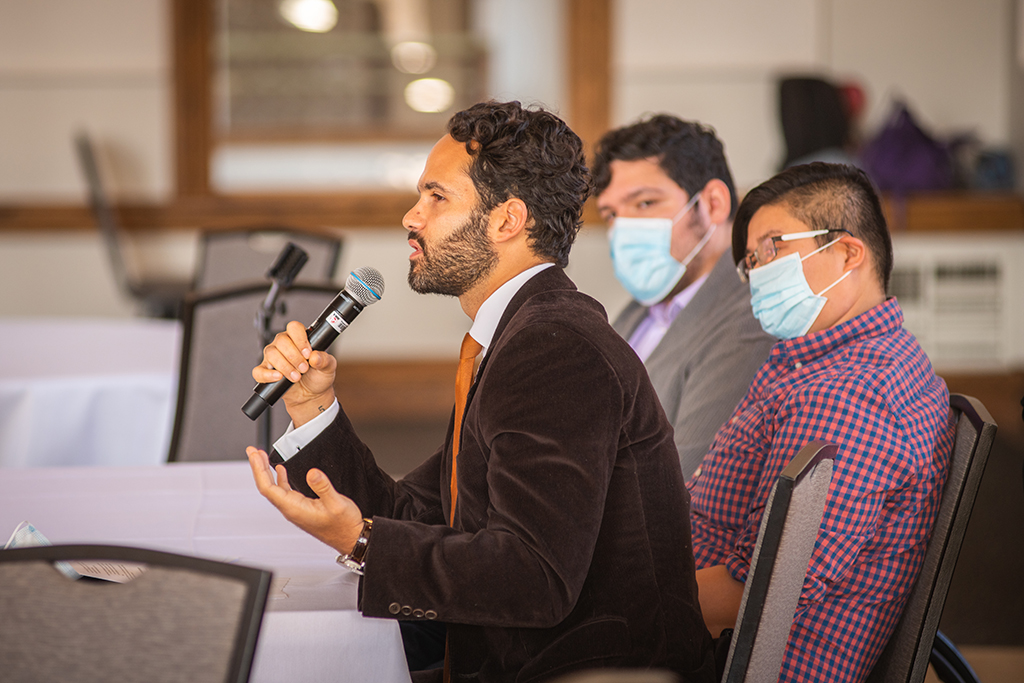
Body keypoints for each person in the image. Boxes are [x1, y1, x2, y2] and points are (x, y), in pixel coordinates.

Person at [246, 101, 717, 683]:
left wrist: (364, 543)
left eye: (436, 197)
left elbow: (533, 577)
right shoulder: (519, 332)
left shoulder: (554, 348)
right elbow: (423, 514)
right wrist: (314, 408)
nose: (410, 218)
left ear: (507, 220)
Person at [689, 162, 956, 683]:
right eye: (750, 258)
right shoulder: (832, 361)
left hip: (726, 658)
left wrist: (616, 595)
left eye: (773, 247)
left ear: (849, 252)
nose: (758, 270)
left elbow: (763, 594)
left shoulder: (849, 394)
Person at [592, 115, 775, 479]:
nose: (622, 228)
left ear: (713, 204)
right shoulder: (637, 313)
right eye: (611, 214)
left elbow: (684, 480)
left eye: (644, 203)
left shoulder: (753, 318)